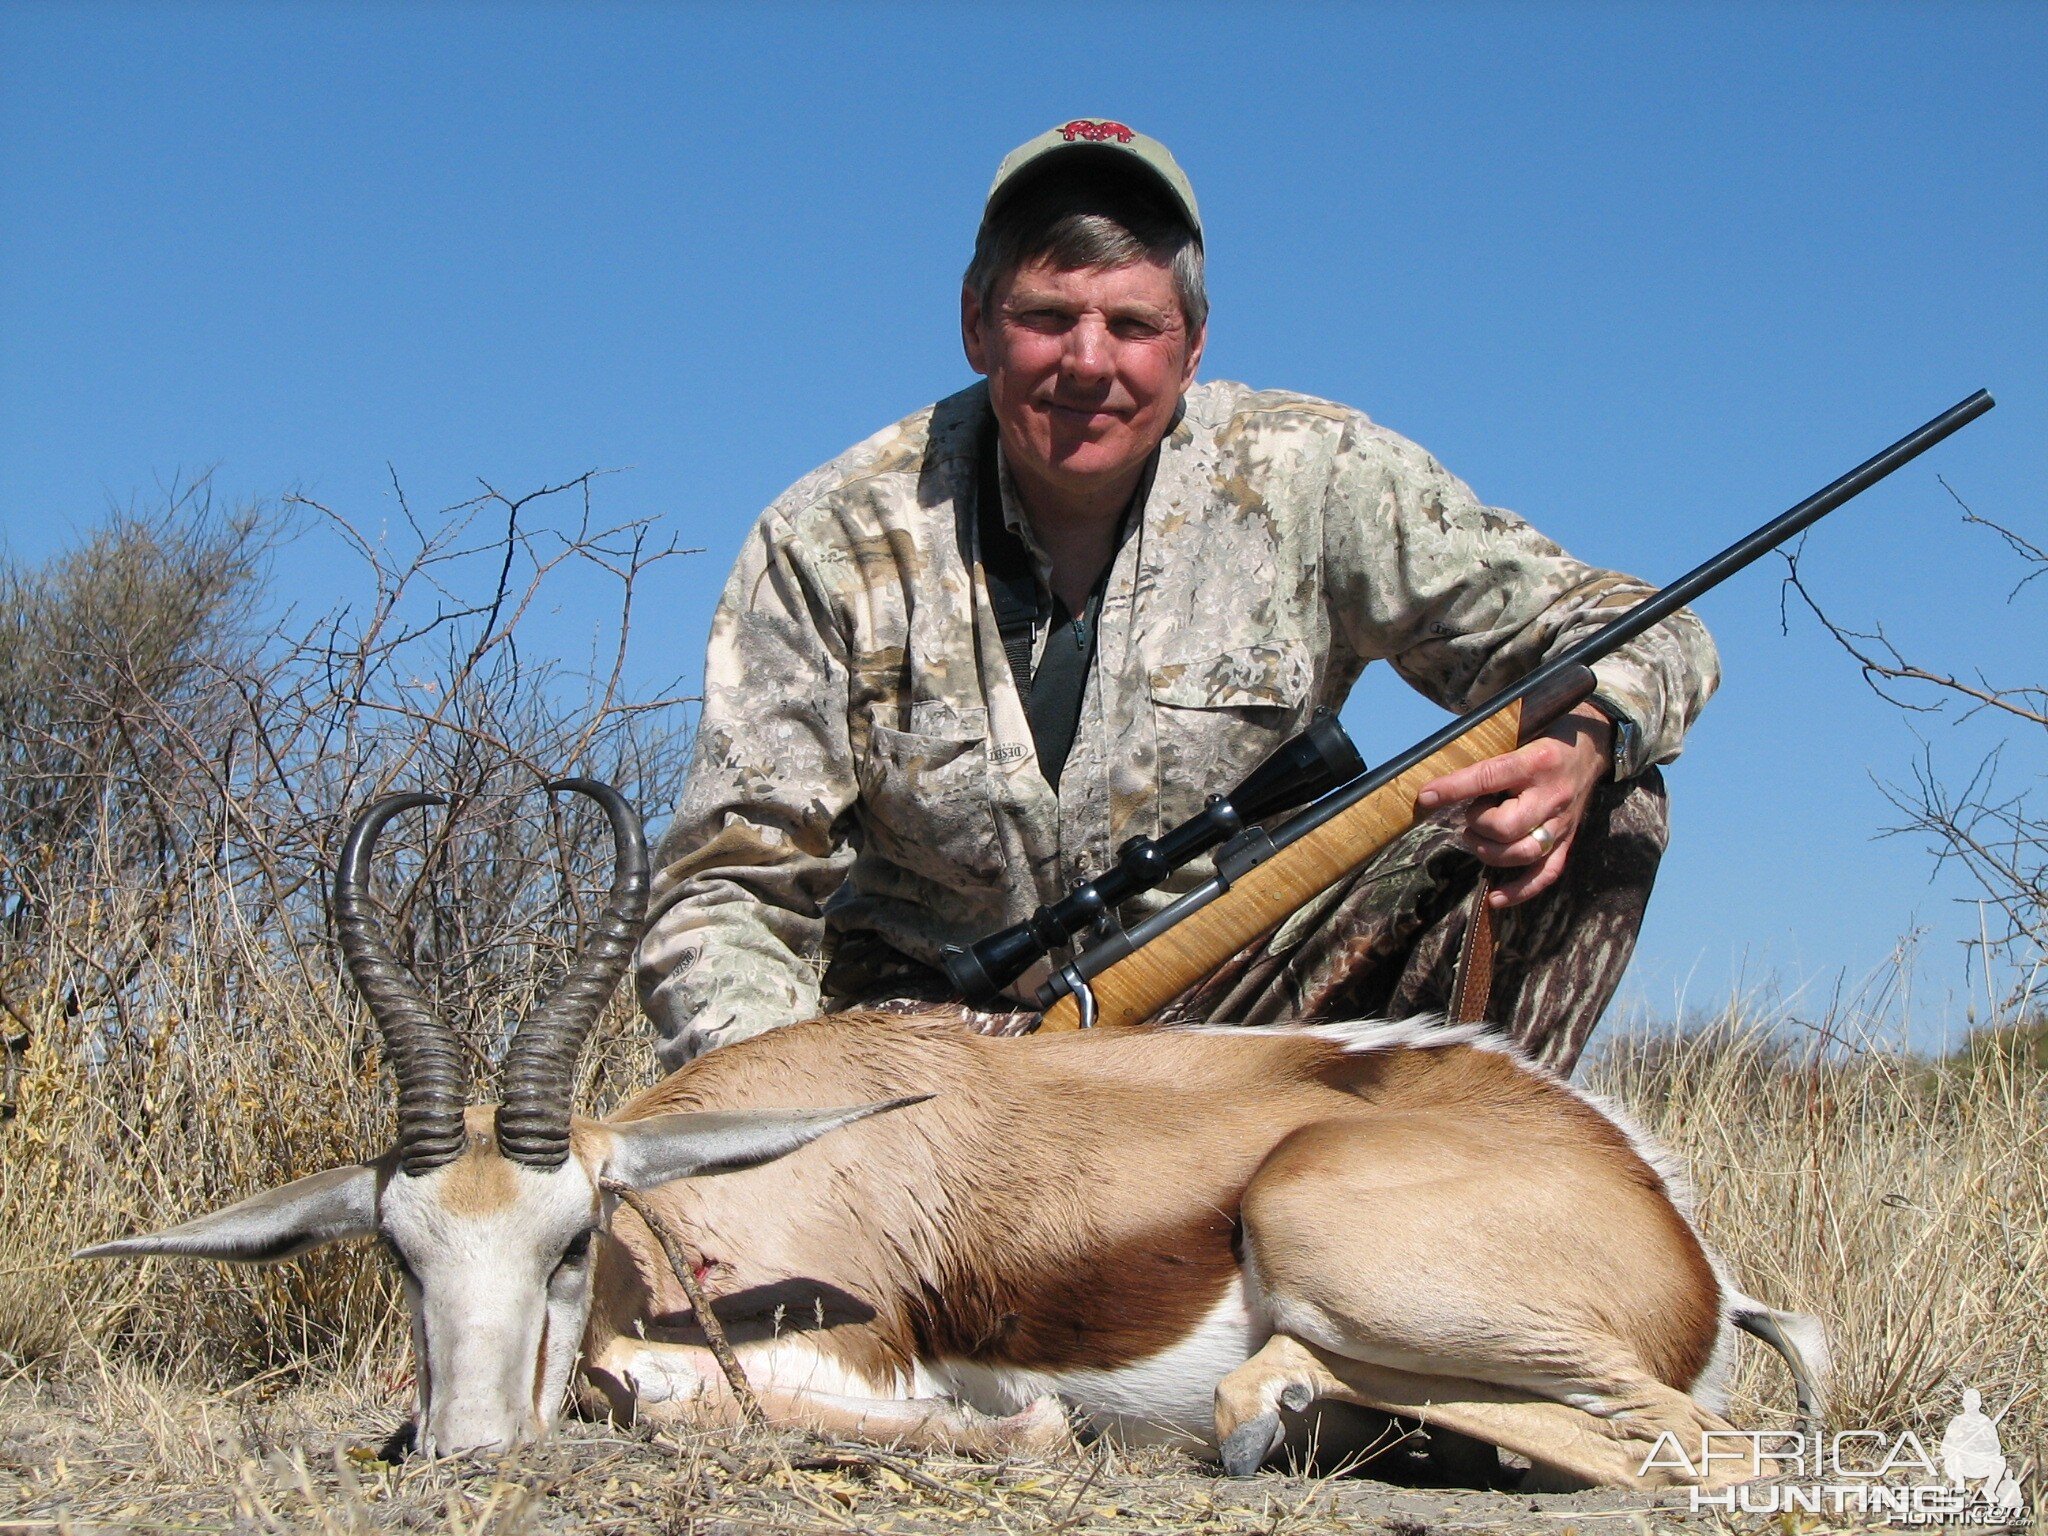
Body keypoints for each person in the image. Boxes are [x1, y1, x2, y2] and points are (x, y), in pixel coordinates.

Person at [635, 119, 1717, 1076]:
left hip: (1231, 1027)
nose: (1088, 361)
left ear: (1193, 345)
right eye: (1045, 316)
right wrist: (770, 1125)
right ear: (975, 325)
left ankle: (1449, 1224)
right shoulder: (829, 540)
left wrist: (1584, 735)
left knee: (1613, 799)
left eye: (1133, 325)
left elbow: (1636, 627)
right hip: (939, 1068)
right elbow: (729, 888)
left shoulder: (1312, 475)